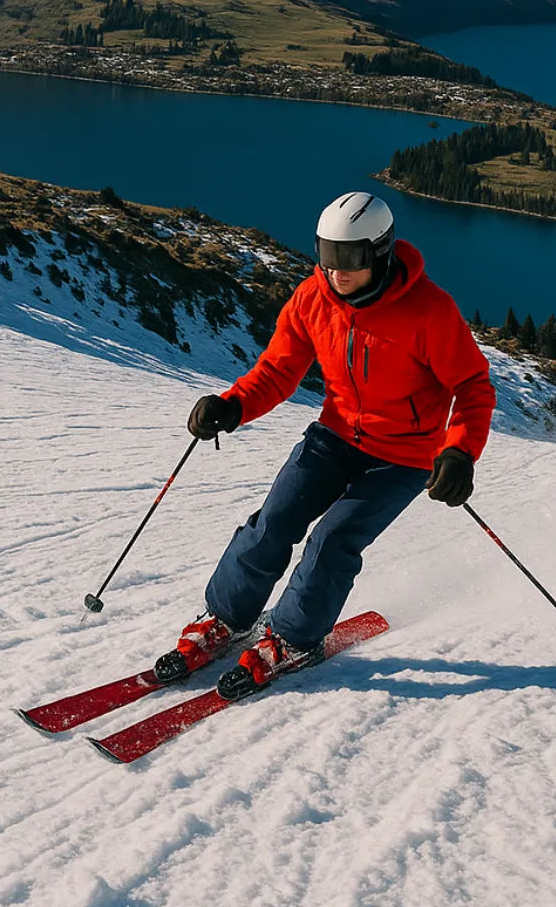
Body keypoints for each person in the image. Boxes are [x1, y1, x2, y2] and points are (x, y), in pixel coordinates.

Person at [155, 191, 496, 701]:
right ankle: (226, 618)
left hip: (403, 455)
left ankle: (292, 637)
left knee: (333, 539)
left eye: (351, 259)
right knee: (274, 520)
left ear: (379, 253)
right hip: (335, 435)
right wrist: (232, 406)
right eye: (327, 255)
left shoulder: (429, 311)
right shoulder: (313, 300)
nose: (337, 272)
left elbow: (472, 386)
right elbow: (276, 370)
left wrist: (459, 450)